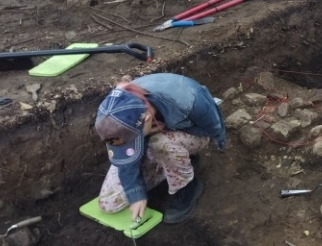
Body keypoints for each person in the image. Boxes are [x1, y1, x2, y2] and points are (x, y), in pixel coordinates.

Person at [95, 73, 225, 224]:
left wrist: (167, 129)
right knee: (109, 203)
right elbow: (125, 157)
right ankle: (170, 162)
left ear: (147, 118)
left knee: (159, 143)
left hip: (191, 134)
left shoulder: (188, 98)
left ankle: (188, 187)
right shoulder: (115, 112)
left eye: (134, 141)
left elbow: (213, 128)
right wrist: (136, 193)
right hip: (154, 137)